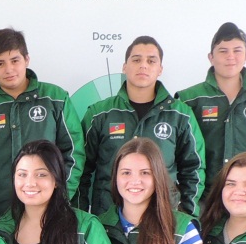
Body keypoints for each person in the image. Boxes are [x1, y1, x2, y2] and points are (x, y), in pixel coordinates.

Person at [80, 36, 205, 218]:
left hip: (163, 218)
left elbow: (194, 168)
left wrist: (186, 217)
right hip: (108, 220)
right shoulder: (100, 114)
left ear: (160, 69)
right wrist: (81, 216)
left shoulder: (180, 115)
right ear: (124, 66)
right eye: (136, 59)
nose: (143, 65)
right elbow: (81, 169)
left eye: (151, 60)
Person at [0, 28, 84, 218]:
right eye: (0, 63)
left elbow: (74, 153)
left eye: (15, 60)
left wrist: (61, 197)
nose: (9, 69)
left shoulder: (55, 99)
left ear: (27, 59)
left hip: (48, 210)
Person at [178, 22, 246, 199]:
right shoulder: (189, 99)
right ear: (211, 57)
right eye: (223, 51)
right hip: (202, 195)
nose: (230, 56)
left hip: (245, 195)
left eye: (237, 50)